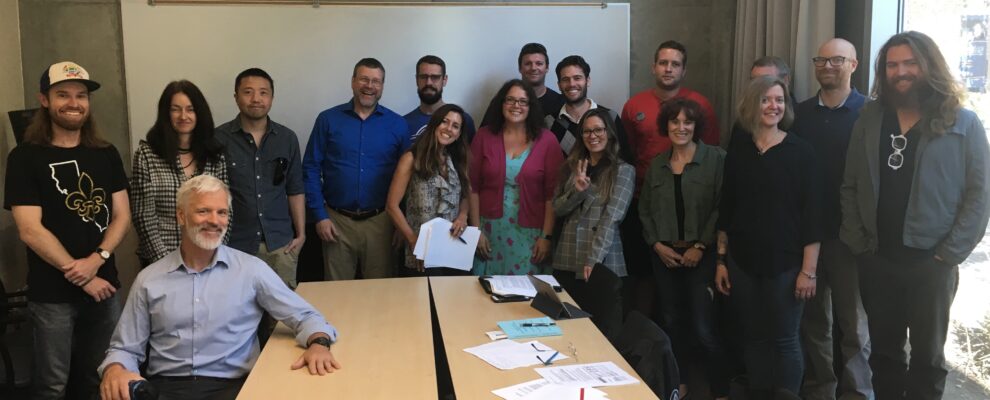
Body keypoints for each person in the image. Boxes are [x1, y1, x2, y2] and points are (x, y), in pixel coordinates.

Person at [840, 31, 990, 400]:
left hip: (932, 265)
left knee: (928, 360)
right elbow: (850, 185)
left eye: (910, 63)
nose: (900, 72)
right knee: (885, 357)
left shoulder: (964, 123)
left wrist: (947, 255)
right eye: (892, 65)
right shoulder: (870, 118)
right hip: (878, 260)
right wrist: (859, 244)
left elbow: (979, 196)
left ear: (928, 66)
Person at [98, 175, 340, 400]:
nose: (214, 221)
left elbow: (306, 316)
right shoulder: (149, 279)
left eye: (222, 212)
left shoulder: (251, 270)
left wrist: (319, 344)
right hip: (167, 388)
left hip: (235, 387)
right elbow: (125, 347)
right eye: (203, 211)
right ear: (181, 216)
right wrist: (115, 369)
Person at [4, 61, 130, 400]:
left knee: (99, 378)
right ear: (44, 99)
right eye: (63, 95)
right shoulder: (24, 157)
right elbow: (30, 230)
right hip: (52, 295)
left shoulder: (105, 153)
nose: (74, 103)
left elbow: (121, 216)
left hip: (106, 288)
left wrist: (98, 258)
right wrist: (85, 275)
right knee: (51, 385)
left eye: (81, 95)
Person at [715, 76, 822, 397]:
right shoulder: (739, 150)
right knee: (754, 337)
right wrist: (721, 260)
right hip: (742, 262)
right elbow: (727, 209)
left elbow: (813, 217)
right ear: (752, 104)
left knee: (786, 338)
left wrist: (808, 271)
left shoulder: (801, 152)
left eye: (779, 100)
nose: (774, 106)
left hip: (787, 265)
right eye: (766, 99)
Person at [791, 39, 872, 400]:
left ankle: (858, 394)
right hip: (808, 235)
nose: (827, 65)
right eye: (821, 59)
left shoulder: (871, 114)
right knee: (813, 324)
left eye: (837, 59)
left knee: (854, 327)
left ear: (854, 65)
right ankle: (820, 391)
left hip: (850, 238)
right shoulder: (800, 115)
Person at [620, 40, 721, 317]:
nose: (668, 69)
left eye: (675, 64)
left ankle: (692, 351)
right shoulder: (634, 106)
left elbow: (711, 154)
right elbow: (627, 153)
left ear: (684, 70)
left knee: (695, 298)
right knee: (647, 280)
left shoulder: (701, 105)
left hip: (694, 211)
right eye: (663, 63)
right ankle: (656, 342)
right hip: (645, 203)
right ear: (654, 67)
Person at [639, 98, 728, 400]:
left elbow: (721, 208)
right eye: (674, 122)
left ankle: (721, 388)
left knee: (703, 327)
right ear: (666, 125)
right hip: (665, 256)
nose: (681, 127)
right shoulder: (658, 165)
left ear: (696, 126)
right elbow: (645, 210)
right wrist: (657, 245)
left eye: (687, 122)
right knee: (672, 321)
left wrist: (701, 245)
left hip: (701, 256)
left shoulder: (716, 159)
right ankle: (681, 382)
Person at [303, 58, 410, 281]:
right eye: (363, 79)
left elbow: (408, 179)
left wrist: (402, 224)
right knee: (337, 293)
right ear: (353, 82)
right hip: (336, 222)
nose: (369, 86)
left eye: (376, 81)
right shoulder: (328, 120)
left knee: (382, 294)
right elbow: (311, 168)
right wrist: (320, 216)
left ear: (382, 86)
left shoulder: (398, 125)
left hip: (381, 223)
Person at [215, 68, 305, 290]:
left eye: (263, 93)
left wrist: (301, 234)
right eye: (248, 92)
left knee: (283, 319)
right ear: (236, 97)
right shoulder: (218, 139)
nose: (256, 99)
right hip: (235, 245)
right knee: (238, 315)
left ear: (271, 98)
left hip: (280, 245)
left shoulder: (287, 138)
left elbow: (295, 189)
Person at [550, 108, 634, 340]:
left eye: (598, 130)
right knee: (567, 333)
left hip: (602, 263)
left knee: (603, 335)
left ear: (609, 133)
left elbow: (612, 218)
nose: (592, 136)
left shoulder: (624, 171)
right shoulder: (572, 167)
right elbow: (557, 209)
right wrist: (577, 191)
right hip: (567, 259)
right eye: (586, 131)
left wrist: (593, 259)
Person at [470, 79, 563, 275]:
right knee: (486, 294)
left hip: (531, 234)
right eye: (510, 100)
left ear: (531, 106)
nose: (516, 106)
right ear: (501, 104)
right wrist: (475, 231)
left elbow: (552, 195)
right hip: (489, 232)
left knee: (524, 296)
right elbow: (473, 188)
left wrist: (546, 236)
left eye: (523, 101)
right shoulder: (484, 136)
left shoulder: (547, 140)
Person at [131, 80, 227, 266]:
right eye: (176, 109)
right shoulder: (147, 154)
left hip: (207, 258)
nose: (183, 116)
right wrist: (166, 263)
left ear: (200, 113)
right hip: (159, 259)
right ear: (166, 114)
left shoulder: (214, 155)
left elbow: (225, 211)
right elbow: (143, 216)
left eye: (190, 109)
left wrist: (212, 255)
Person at [387, 104, 473, 276]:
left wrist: (463, 215)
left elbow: (465, 195)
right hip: (421, 251)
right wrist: (412, 241)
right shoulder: (411, 158)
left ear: (458, 135)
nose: (449, 128)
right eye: (444, 122)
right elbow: (391, 206)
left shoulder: (458, 160)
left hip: (453, 249)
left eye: (455, 126)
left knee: (452, 301)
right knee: (422, 301)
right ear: (434, 124)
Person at [548, 55, 633, 163]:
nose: (572, 84)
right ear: (559, 85)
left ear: (587, 81)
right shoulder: (549, 122)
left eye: (577, 78)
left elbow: (626, 161)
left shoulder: (611, 117)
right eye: (565, 79)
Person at [481, 43, 565, 128]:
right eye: (528, 63)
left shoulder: (560, 103)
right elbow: (485, 136)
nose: (533, 68)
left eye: (539, 63)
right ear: (520, 68)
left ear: (547, 68)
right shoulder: (502, 101)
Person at [404, 55, 477, 143]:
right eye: (423, 77)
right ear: (416, 80)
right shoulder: (403, 123)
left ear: (444, 80)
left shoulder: (462, 120)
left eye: (435, 77)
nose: (428, 83)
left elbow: (470, 155)